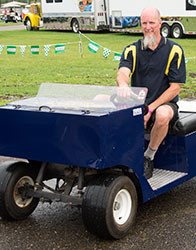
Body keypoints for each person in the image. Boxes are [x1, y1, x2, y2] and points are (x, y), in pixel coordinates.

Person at [116, 6, 186, 179]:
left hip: (163, 103)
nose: (147, 27)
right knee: (100, 100)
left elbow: (175, 88)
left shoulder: (174, 50)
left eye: (151, 23)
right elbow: (123, 72)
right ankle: (116, 154)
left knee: (162, 115)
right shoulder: (131, 49)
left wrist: (150, 109)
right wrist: (123, 85)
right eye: (144, 23)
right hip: (137, 101)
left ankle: (149, 156)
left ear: (160, 23)